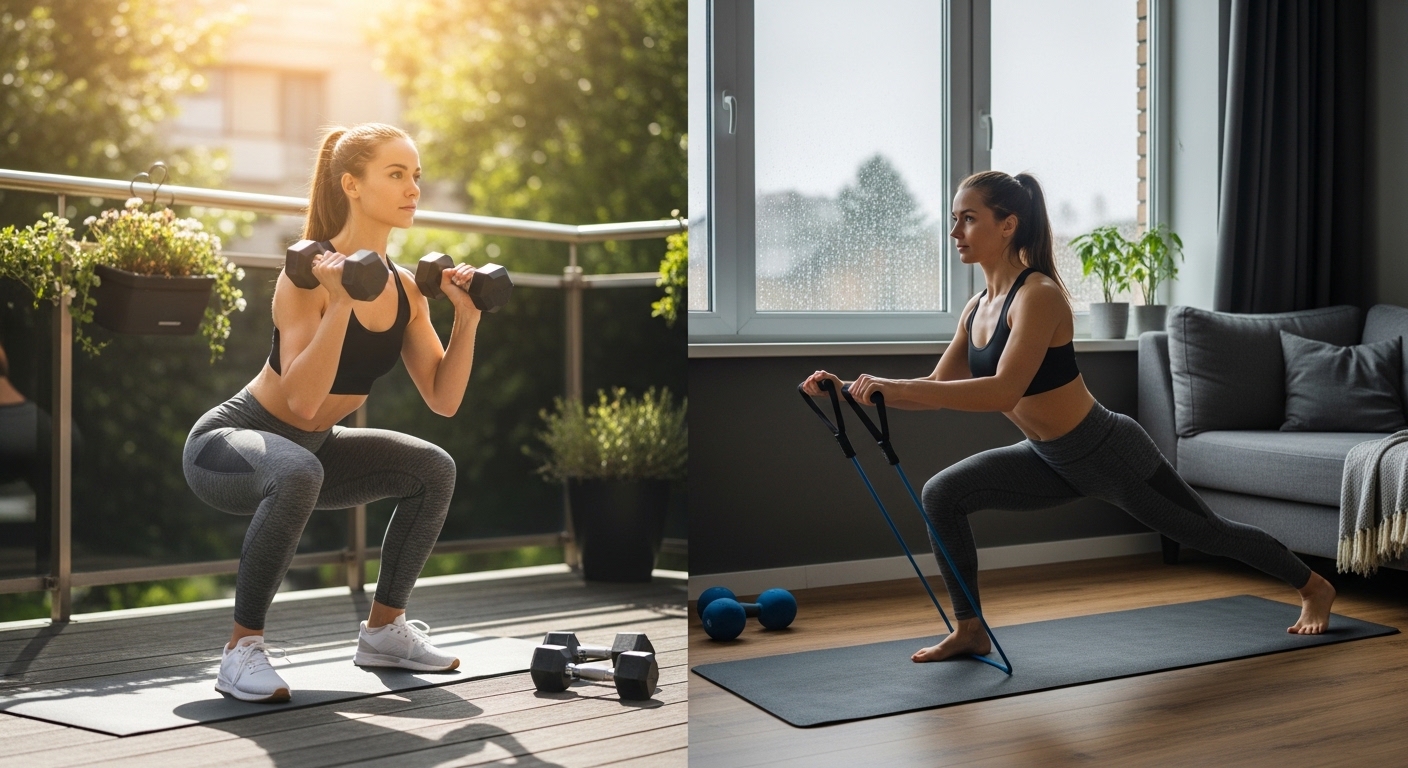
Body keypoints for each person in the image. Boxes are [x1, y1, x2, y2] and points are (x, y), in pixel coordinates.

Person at [801, 170, 1337, 664]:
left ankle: (1313, 586)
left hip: (1107, 451)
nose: (955, 230)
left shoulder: (1038, 295)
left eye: (969, 218)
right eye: (954, 218)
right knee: (943, 494)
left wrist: (889, 386)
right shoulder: (976, 307)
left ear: (1008, 225)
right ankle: (970, 629)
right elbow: (937, 390)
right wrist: (847, 390)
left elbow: (1001, 390)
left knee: (1207, 533)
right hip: (1049, 457)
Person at [183, 123, 485, 702]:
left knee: (433, 468)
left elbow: (443, 400)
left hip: (313, 449)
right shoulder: (307, 278)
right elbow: (300, 401)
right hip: (230, 443)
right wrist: (342, 301)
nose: (412, 189)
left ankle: (383, 632)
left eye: (415, 176)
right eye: (395, 175)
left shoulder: (405, 289)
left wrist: (466, 317)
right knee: (298, 471)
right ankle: (239, 651)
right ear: (351, 184)